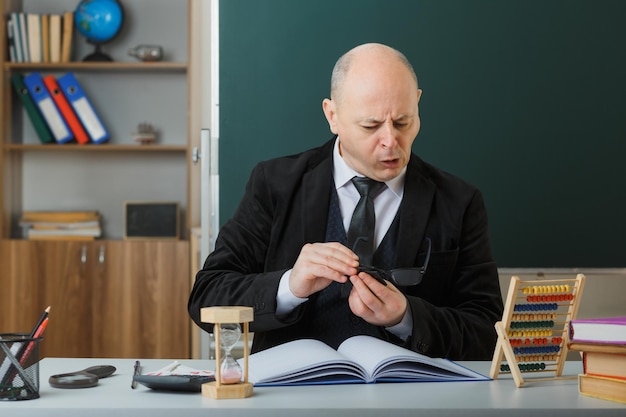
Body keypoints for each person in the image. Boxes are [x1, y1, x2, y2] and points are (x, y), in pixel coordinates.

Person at [188, 43, 503, 360]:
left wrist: (406, 317)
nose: (391, 141)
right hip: (293, 402)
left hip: (409, 403)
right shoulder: (274, 185)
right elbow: (207, 298)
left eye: (403, 122)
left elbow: (487, 332)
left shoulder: (459, 202)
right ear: (332, 116)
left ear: (418, 104)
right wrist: (289, 286)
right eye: (371, 125)